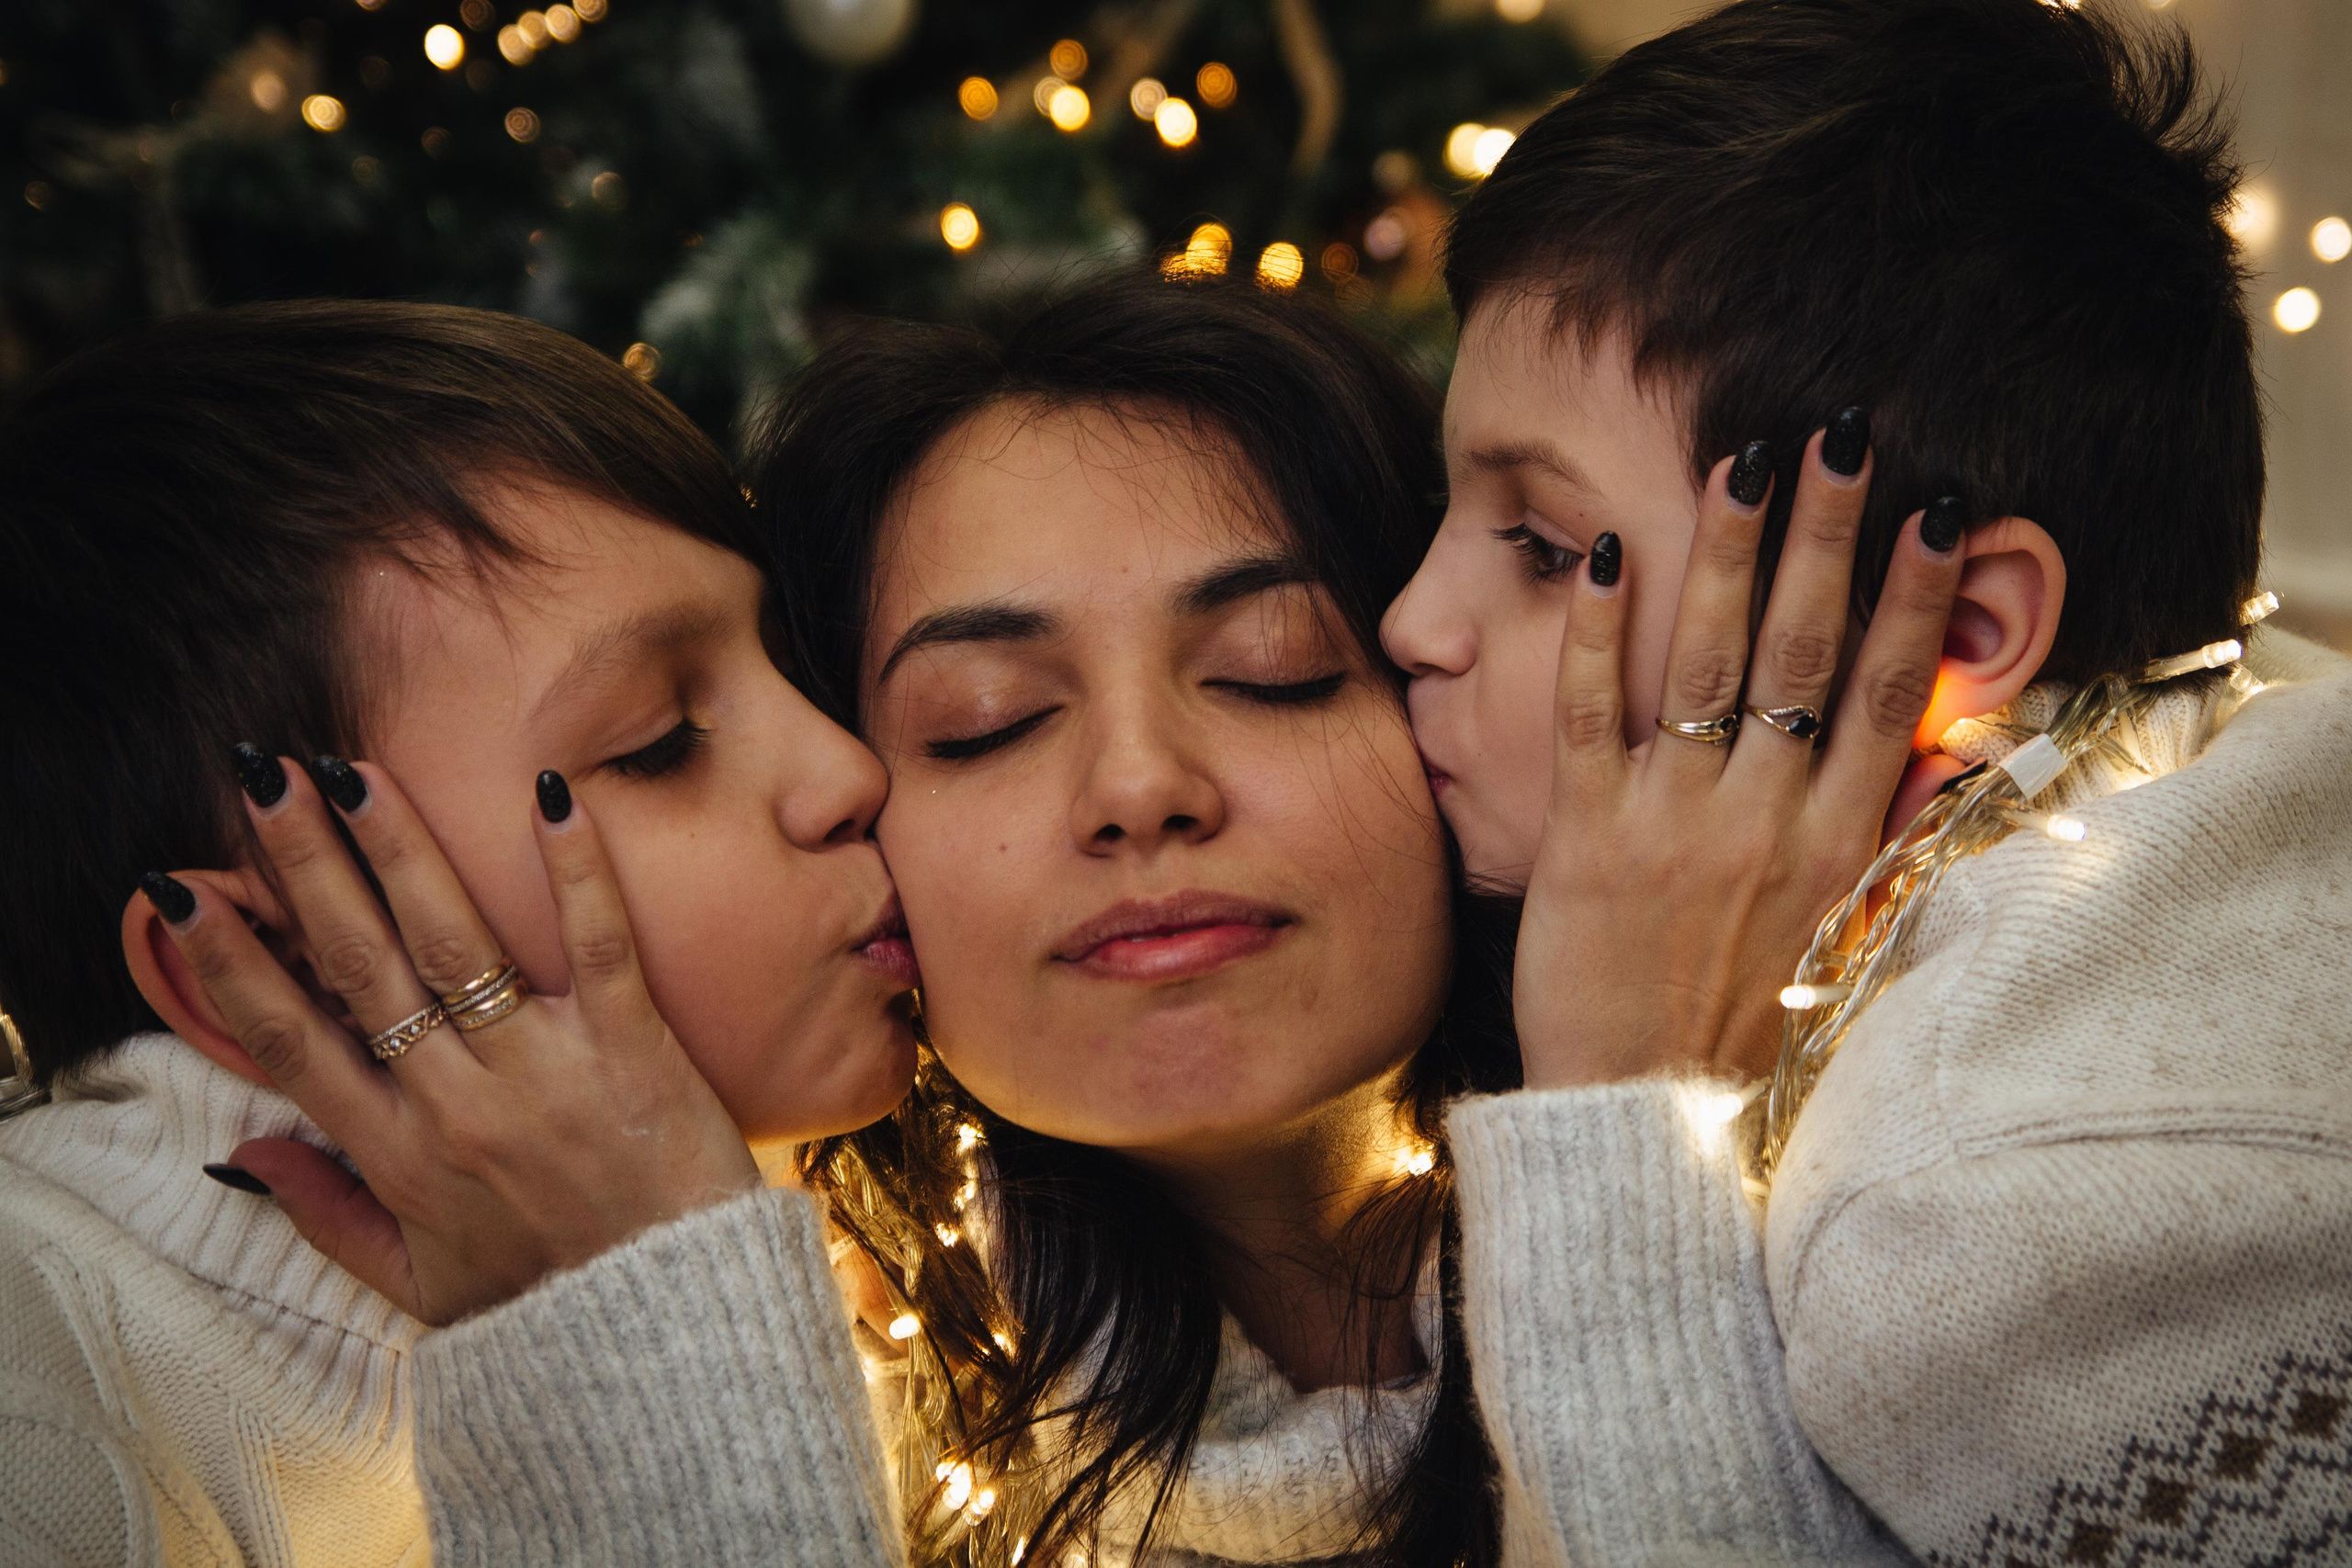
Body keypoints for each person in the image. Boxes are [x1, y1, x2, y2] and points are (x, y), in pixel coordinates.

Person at [162, 275, 1957, 1567]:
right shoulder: (860, 1443)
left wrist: (1631, 1124)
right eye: (983, 723)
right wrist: (642, 1366)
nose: (1136, 784)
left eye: (1269, 671)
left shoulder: (1926, 1172)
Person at [1384, 0, 2352, 1558]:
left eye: (1553, 552)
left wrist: (1619, 1113)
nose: (1412, 624)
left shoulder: (1977, 1222)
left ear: (1958, 634)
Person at [0, 300, 915, 1566]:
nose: (848, 769)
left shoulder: (877, 1283)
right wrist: (647, 1340)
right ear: (278, 972)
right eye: (657, 743)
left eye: (790, 669)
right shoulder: (37, 1416)